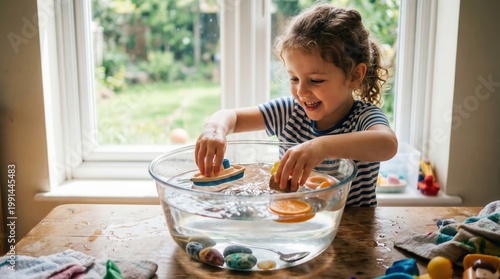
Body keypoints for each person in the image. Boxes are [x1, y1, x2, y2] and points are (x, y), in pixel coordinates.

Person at [195, 3, 398, 207]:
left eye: (316, 80)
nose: (301, 92)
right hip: (294, 222)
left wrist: (321, 147)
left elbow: (387, 144)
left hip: (355, 230)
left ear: (354, 76)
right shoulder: (289, 111)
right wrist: (215, 129)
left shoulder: (364, 118)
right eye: (294, 79)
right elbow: (233, 117)